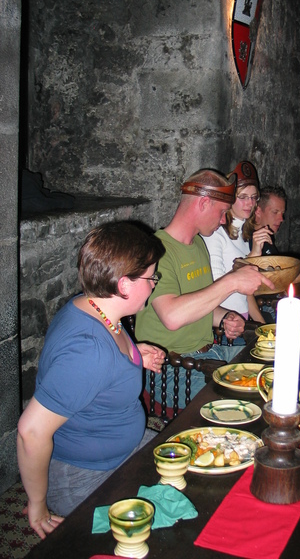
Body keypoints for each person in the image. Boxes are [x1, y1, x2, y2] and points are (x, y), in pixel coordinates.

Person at [17, 221, 166, 538]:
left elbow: (103, 357)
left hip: (123, 448)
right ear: (124, 285)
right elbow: (30, 432)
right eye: (151, 277)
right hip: (85, 474)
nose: (154, 284)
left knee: (188, 467)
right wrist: (38, 504)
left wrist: (134, 355)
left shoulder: (93, 307)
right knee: (161, 528)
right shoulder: (89, 352)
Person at [134, 168, 274, 407]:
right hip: (172, 369)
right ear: (203, 203)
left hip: (211, 354)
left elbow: (200, 305)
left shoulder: (198, 244)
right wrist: (231, 282)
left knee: (273, 371)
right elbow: (172, 317)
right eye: (221, 212)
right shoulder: (156, 251)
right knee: (252, 399)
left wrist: (223, 318)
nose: (223, 220)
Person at [201, 161, 265, 324]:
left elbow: (246, 293)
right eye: (243, 197)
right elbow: (215, 287)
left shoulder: (243, 233)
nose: (250, 203)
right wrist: (252, 256)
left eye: (253, 197)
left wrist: (262, 326)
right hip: (224, 325)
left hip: (243, 319)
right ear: (229, 199)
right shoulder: (215, 233)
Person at [249, 185, 300, 287]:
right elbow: (257, 281)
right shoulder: (249, 240)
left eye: (282, 213)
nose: (281, 218)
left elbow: (275, 270)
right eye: (275, 212)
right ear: (258, 211)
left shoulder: (267, 236)